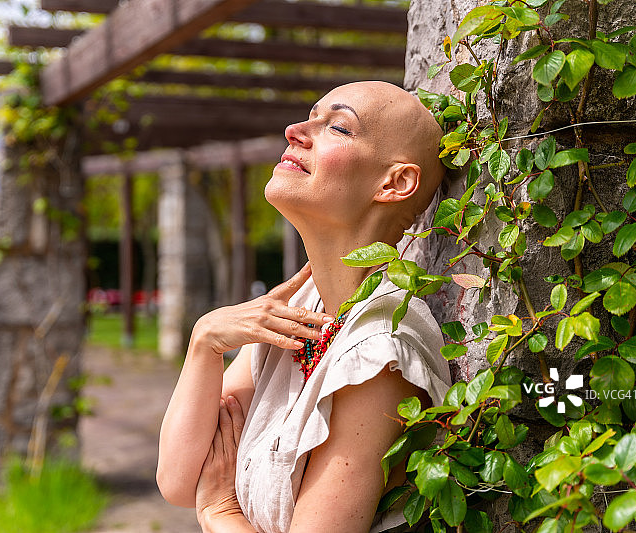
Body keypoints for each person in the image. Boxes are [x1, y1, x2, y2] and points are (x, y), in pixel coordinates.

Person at [156, 81, 452, 533]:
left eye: (338, 126)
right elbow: (180, 480)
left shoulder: (379, 351)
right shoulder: (301, 307)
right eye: (308, 115)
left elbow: (203, 494)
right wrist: (204, 341)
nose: (294, 130)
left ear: (395, 183)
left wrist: (219, 512)